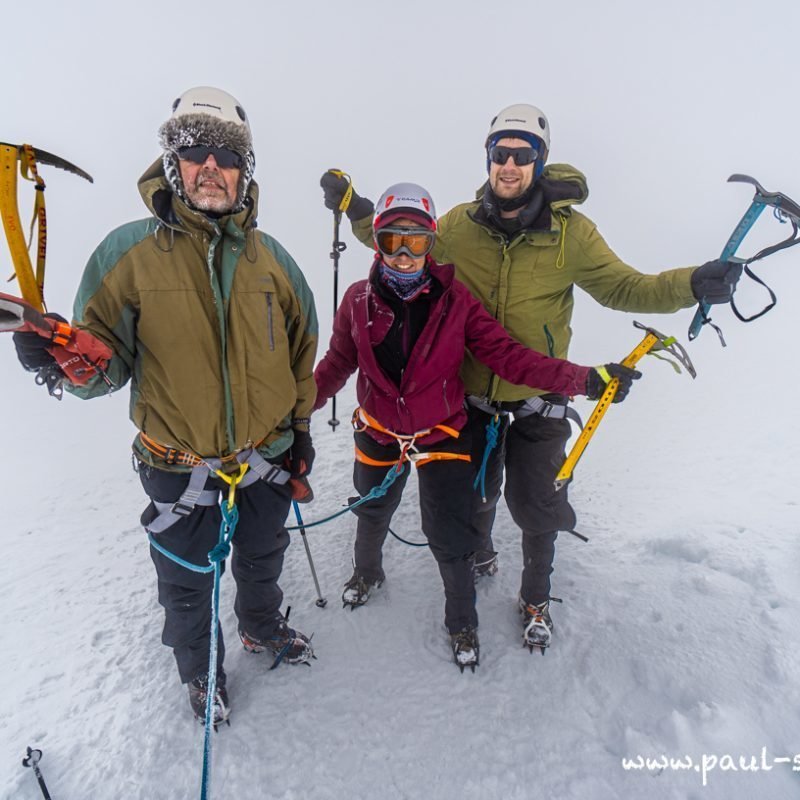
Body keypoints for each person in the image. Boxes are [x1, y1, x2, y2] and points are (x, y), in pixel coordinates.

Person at [319, 103, 742, 653]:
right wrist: (359, 209)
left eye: (523, 155)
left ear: (540, 161)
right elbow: (403, 244)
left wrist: (690, 284)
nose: (510, 165)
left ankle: (536, 596)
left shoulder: (572, 235)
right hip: (469, 399)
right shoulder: (459, 227)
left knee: (536, 505)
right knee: (478, 497)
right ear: (489, 160)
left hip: (537, 393)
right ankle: (481, 550)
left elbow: (625, 288)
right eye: (501, 154)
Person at [12, 87, 319, 725]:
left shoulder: (277, 264)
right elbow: (103, 369)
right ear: (172, 162)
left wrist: (300, 433)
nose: (210, 165)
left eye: (225, 154)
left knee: (263, 558)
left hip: (266, 457)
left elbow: (300, 354)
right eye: (193, 150)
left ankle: (260, 626)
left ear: (245, 169)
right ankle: (200, 671)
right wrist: (63, 361)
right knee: (185, 582)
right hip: (177, 463)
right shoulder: (126, 254)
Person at [312, 181, 640, 669]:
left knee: (449, 534)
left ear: (432, 243)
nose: (404, 254)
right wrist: (293, 409)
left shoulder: (456, 303)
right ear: (376, 243)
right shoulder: (358, 300)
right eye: (391, 241)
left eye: (417, 241)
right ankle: (367, 572)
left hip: (442, 433)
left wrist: (582, 379)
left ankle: (461, 621)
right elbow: (337, 363)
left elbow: (510, 358)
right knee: (372, 507)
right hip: (378, 428)